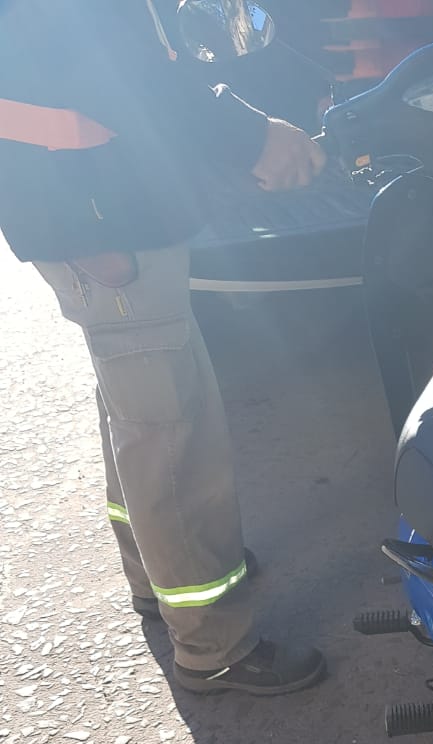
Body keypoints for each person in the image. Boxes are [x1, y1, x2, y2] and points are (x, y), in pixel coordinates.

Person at [0, 0, 328, 693]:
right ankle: (214, 644)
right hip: (98, 216)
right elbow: (119, 75)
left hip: (86, 209)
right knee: (170, 433)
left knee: (142, 408)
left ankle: (162, 575)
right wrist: (250, 135)